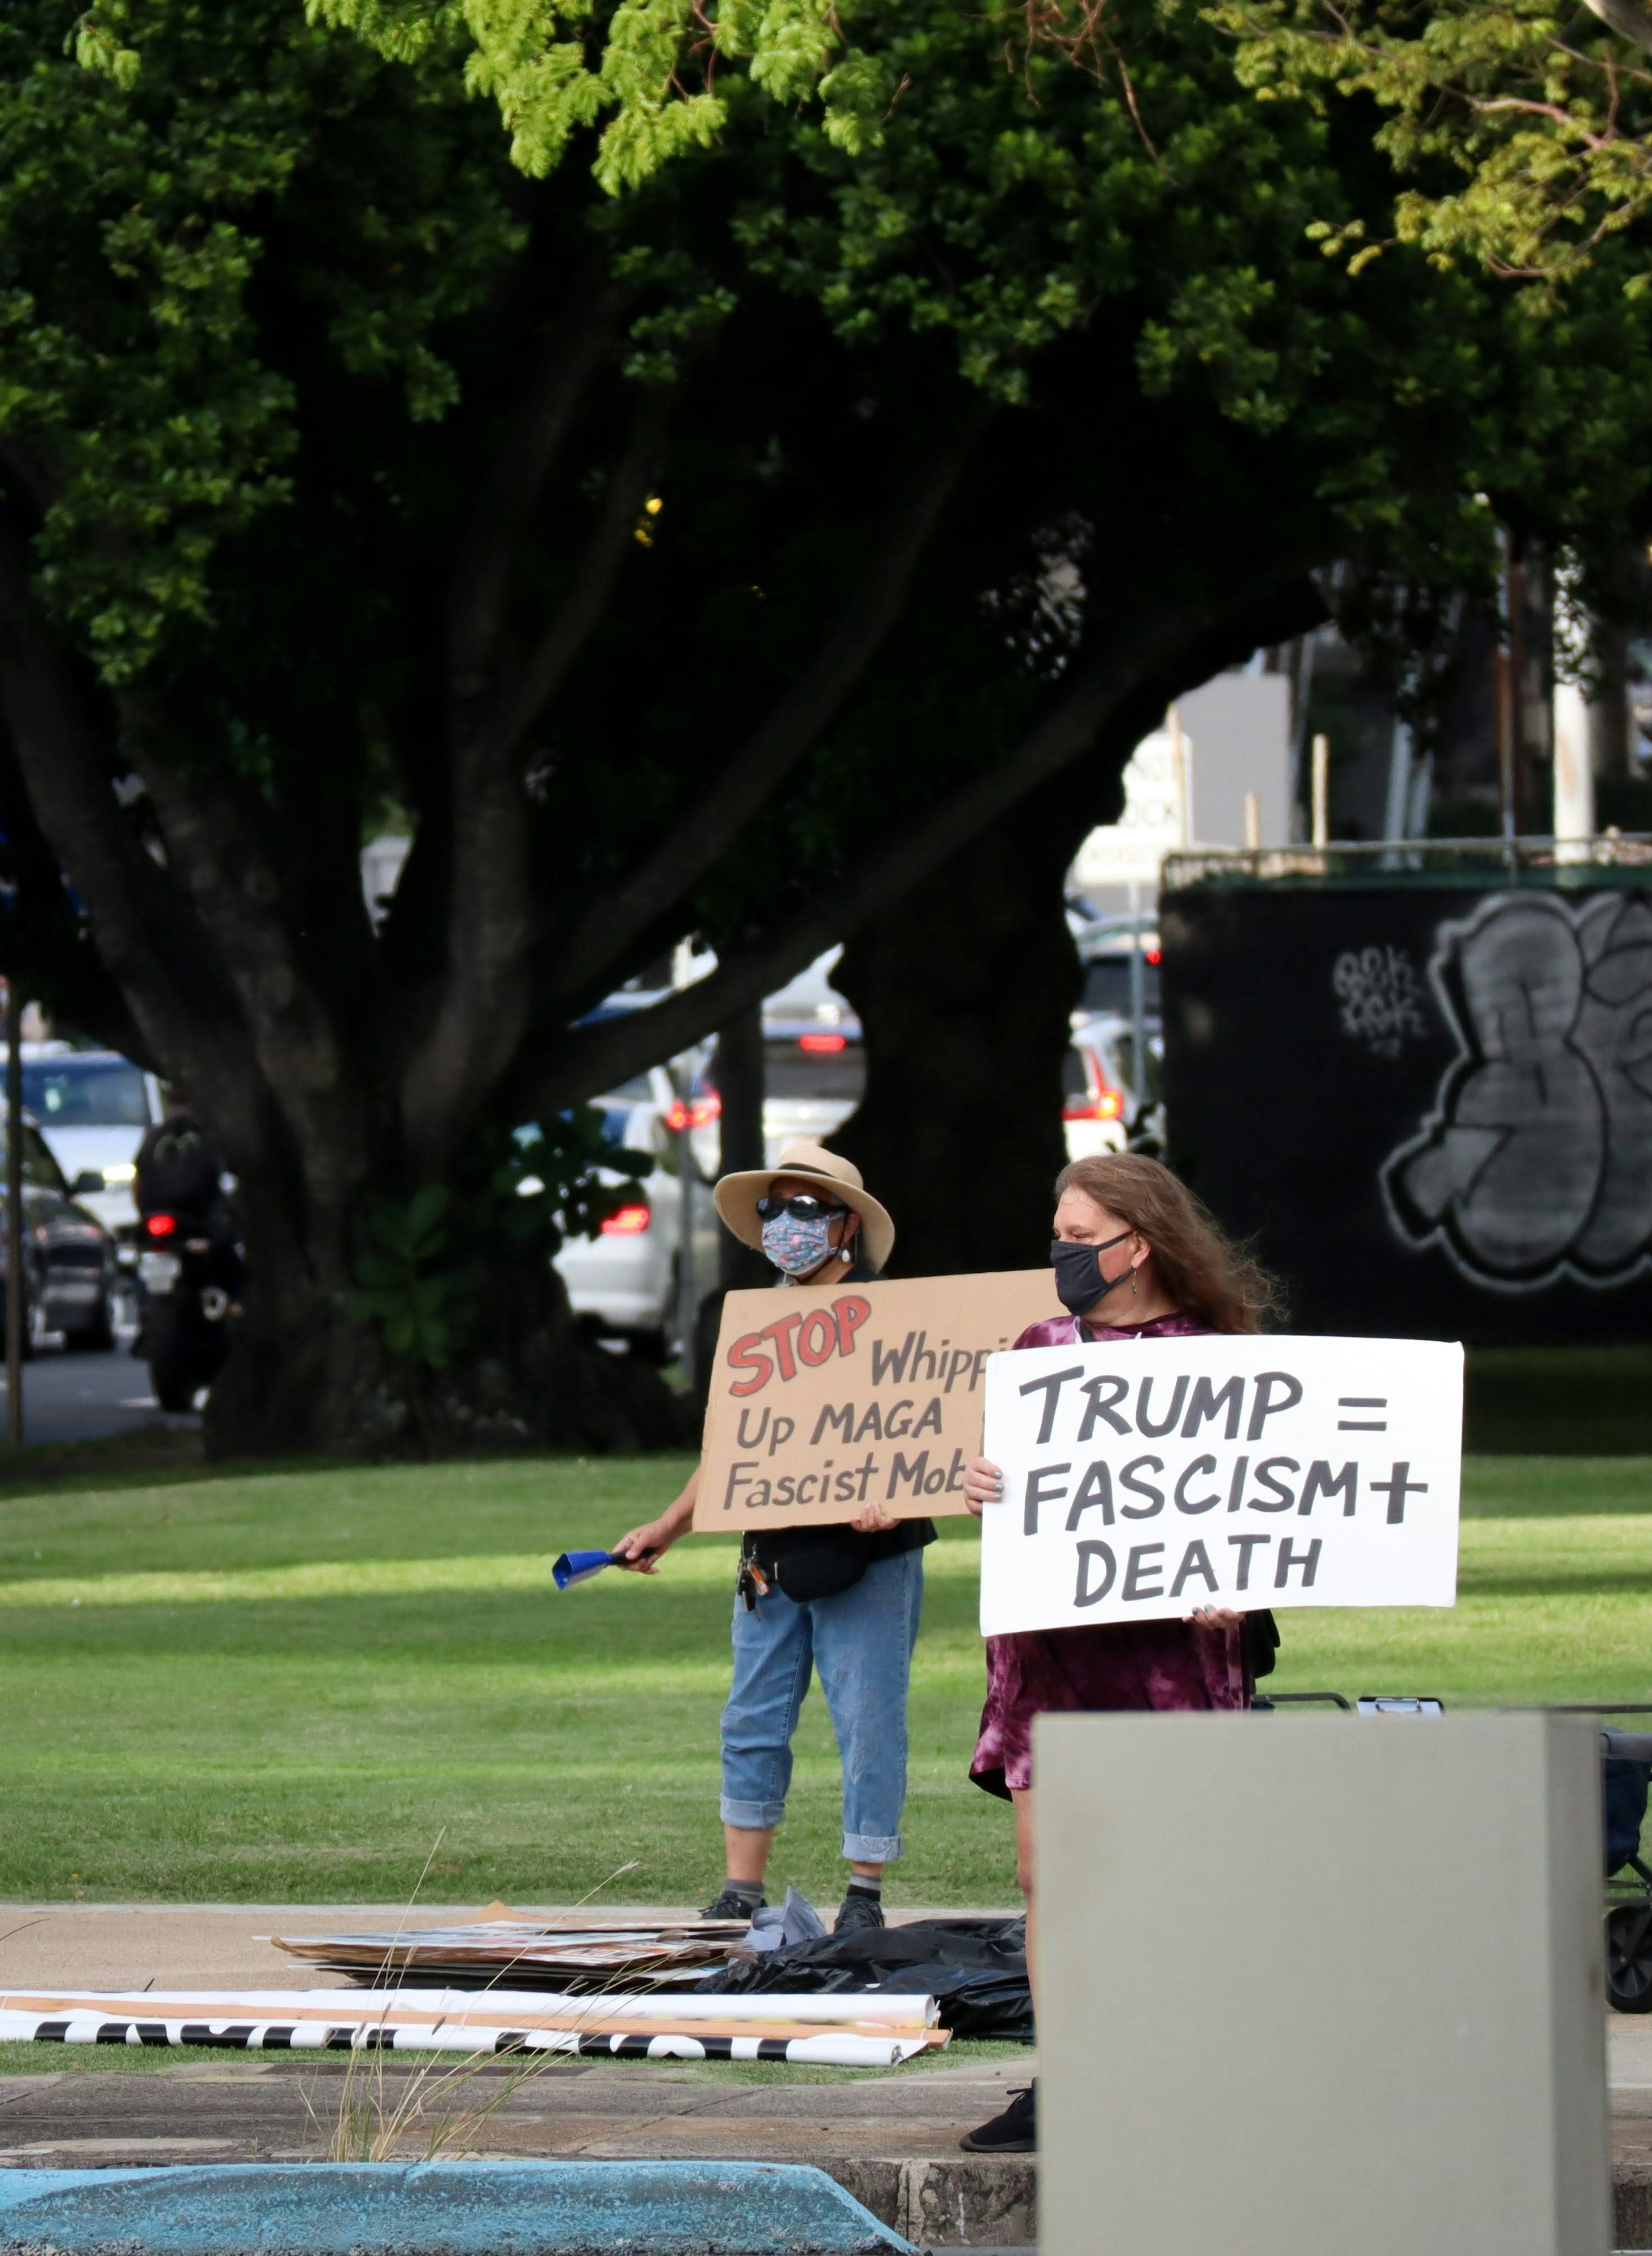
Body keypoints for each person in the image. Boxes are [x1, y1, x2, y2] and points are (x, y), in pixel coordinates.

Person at [958, 1151, 1279, 2155]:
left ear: (1137, 1244)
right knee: (1051, 1873)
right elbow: (1032, 1491)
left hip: (1173, 1665)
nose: (1061, 1252)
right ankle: (1073, 2081)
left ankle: (1182, 2070)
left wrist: (1239, 1589)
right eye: (1056, 1232)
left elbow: (1267, 1503)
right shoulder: (1038, 1346)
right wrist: (985, 1483)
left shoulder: (1221, 1356)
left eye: (1080, 1235)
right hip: (1049, 1661)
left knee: (1171, 1871)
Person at [611, 1140, 931, 1935]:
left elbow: (931, 1427)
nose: (787, 1225)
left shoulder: (894, 1315)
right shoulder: (753, 1319)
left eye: (805, 1209)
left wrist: (894, 1494)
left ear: (845, 1225)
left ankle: (863, 1893)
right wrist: (669, 1525)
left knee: (867, 1717)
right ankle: (740, 1893)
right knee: (752, 1714)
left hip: (871, 1556)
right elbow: (730, 1450)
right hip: (771, 1553)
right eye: (774, 1209)